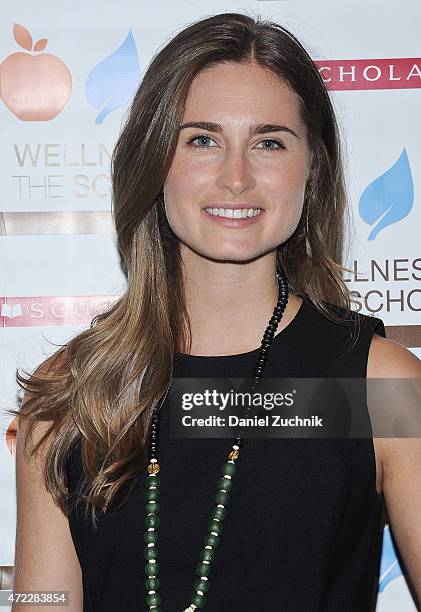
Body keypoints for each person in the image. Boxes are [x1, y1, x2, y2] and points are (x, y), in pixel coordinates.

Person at [10, 12, 421, 612]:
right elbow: (43, 600)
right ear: (155, 161)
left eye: (269, 143)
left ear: (313, 169)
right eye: (202, 140)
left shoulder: (380, 387)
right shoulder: (72, 391)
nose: (236, 178)